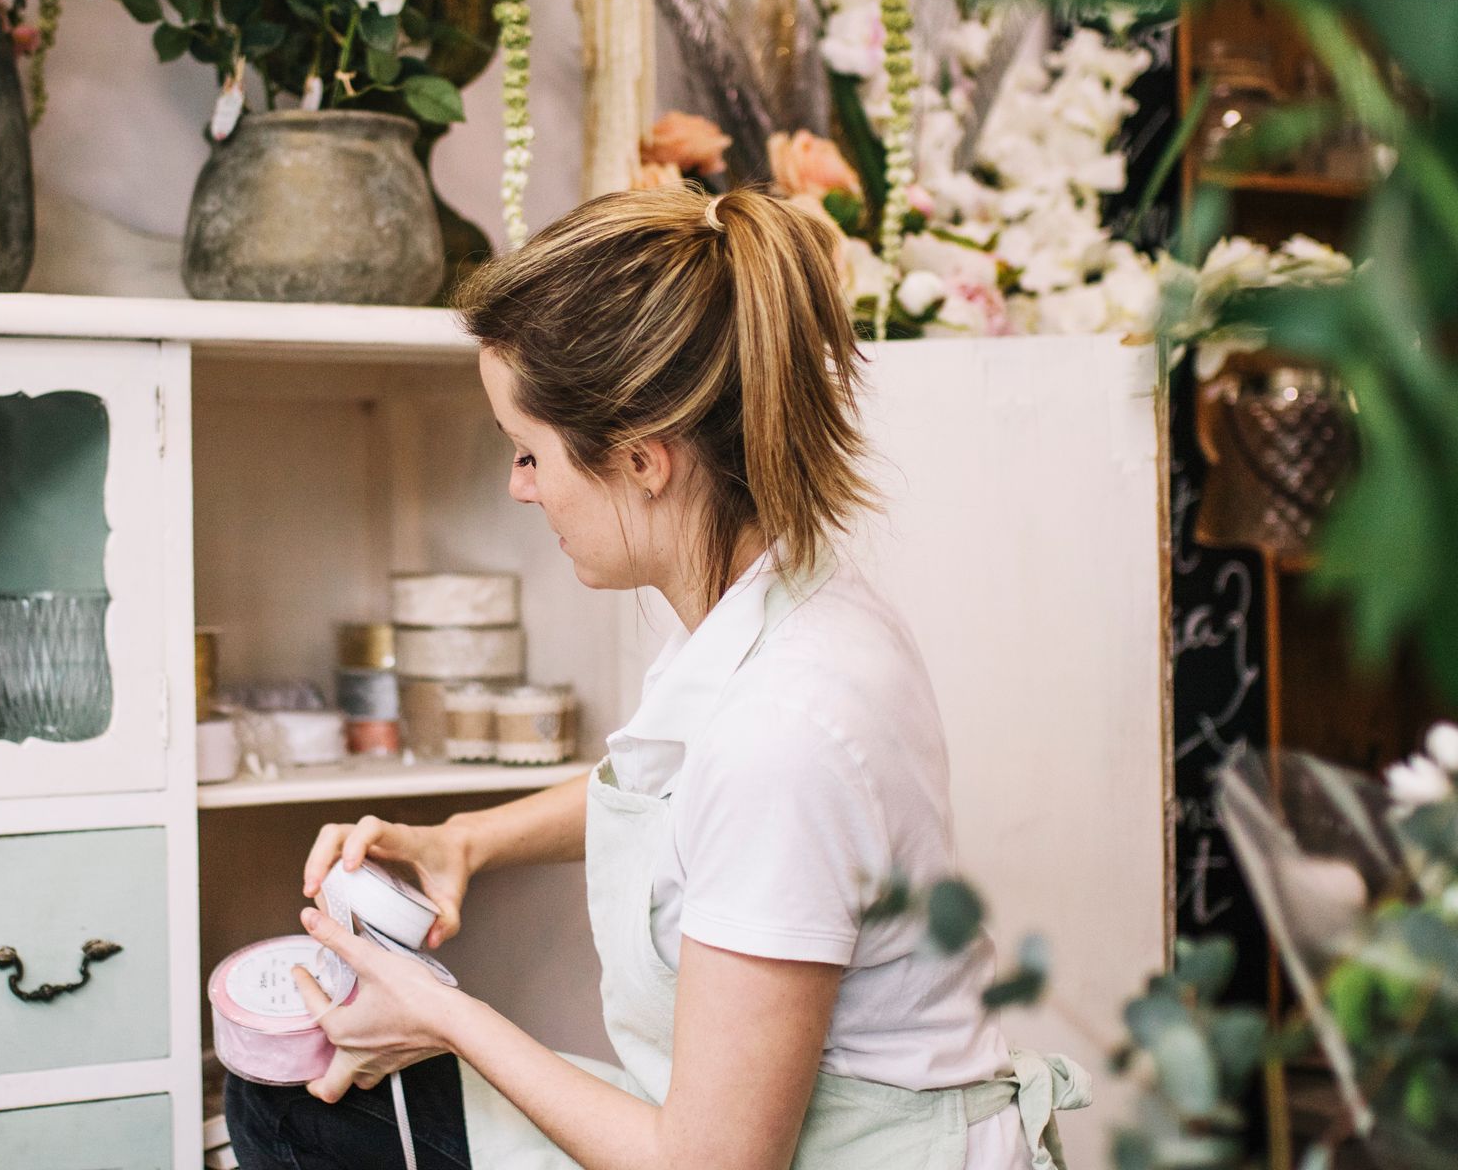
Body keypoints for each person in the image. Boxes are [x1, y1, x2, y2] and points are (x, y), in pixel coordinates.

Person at [225, 186, 1089, 1170]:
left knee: (294, 1106)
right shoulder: (780, 603)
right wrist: (467, 837)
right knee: (299, 1087)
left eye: (529, 450)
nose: (520, 486)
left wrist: (446, 1016)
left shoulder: (786, 731)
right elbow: (684, 805)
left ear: (643, 459)